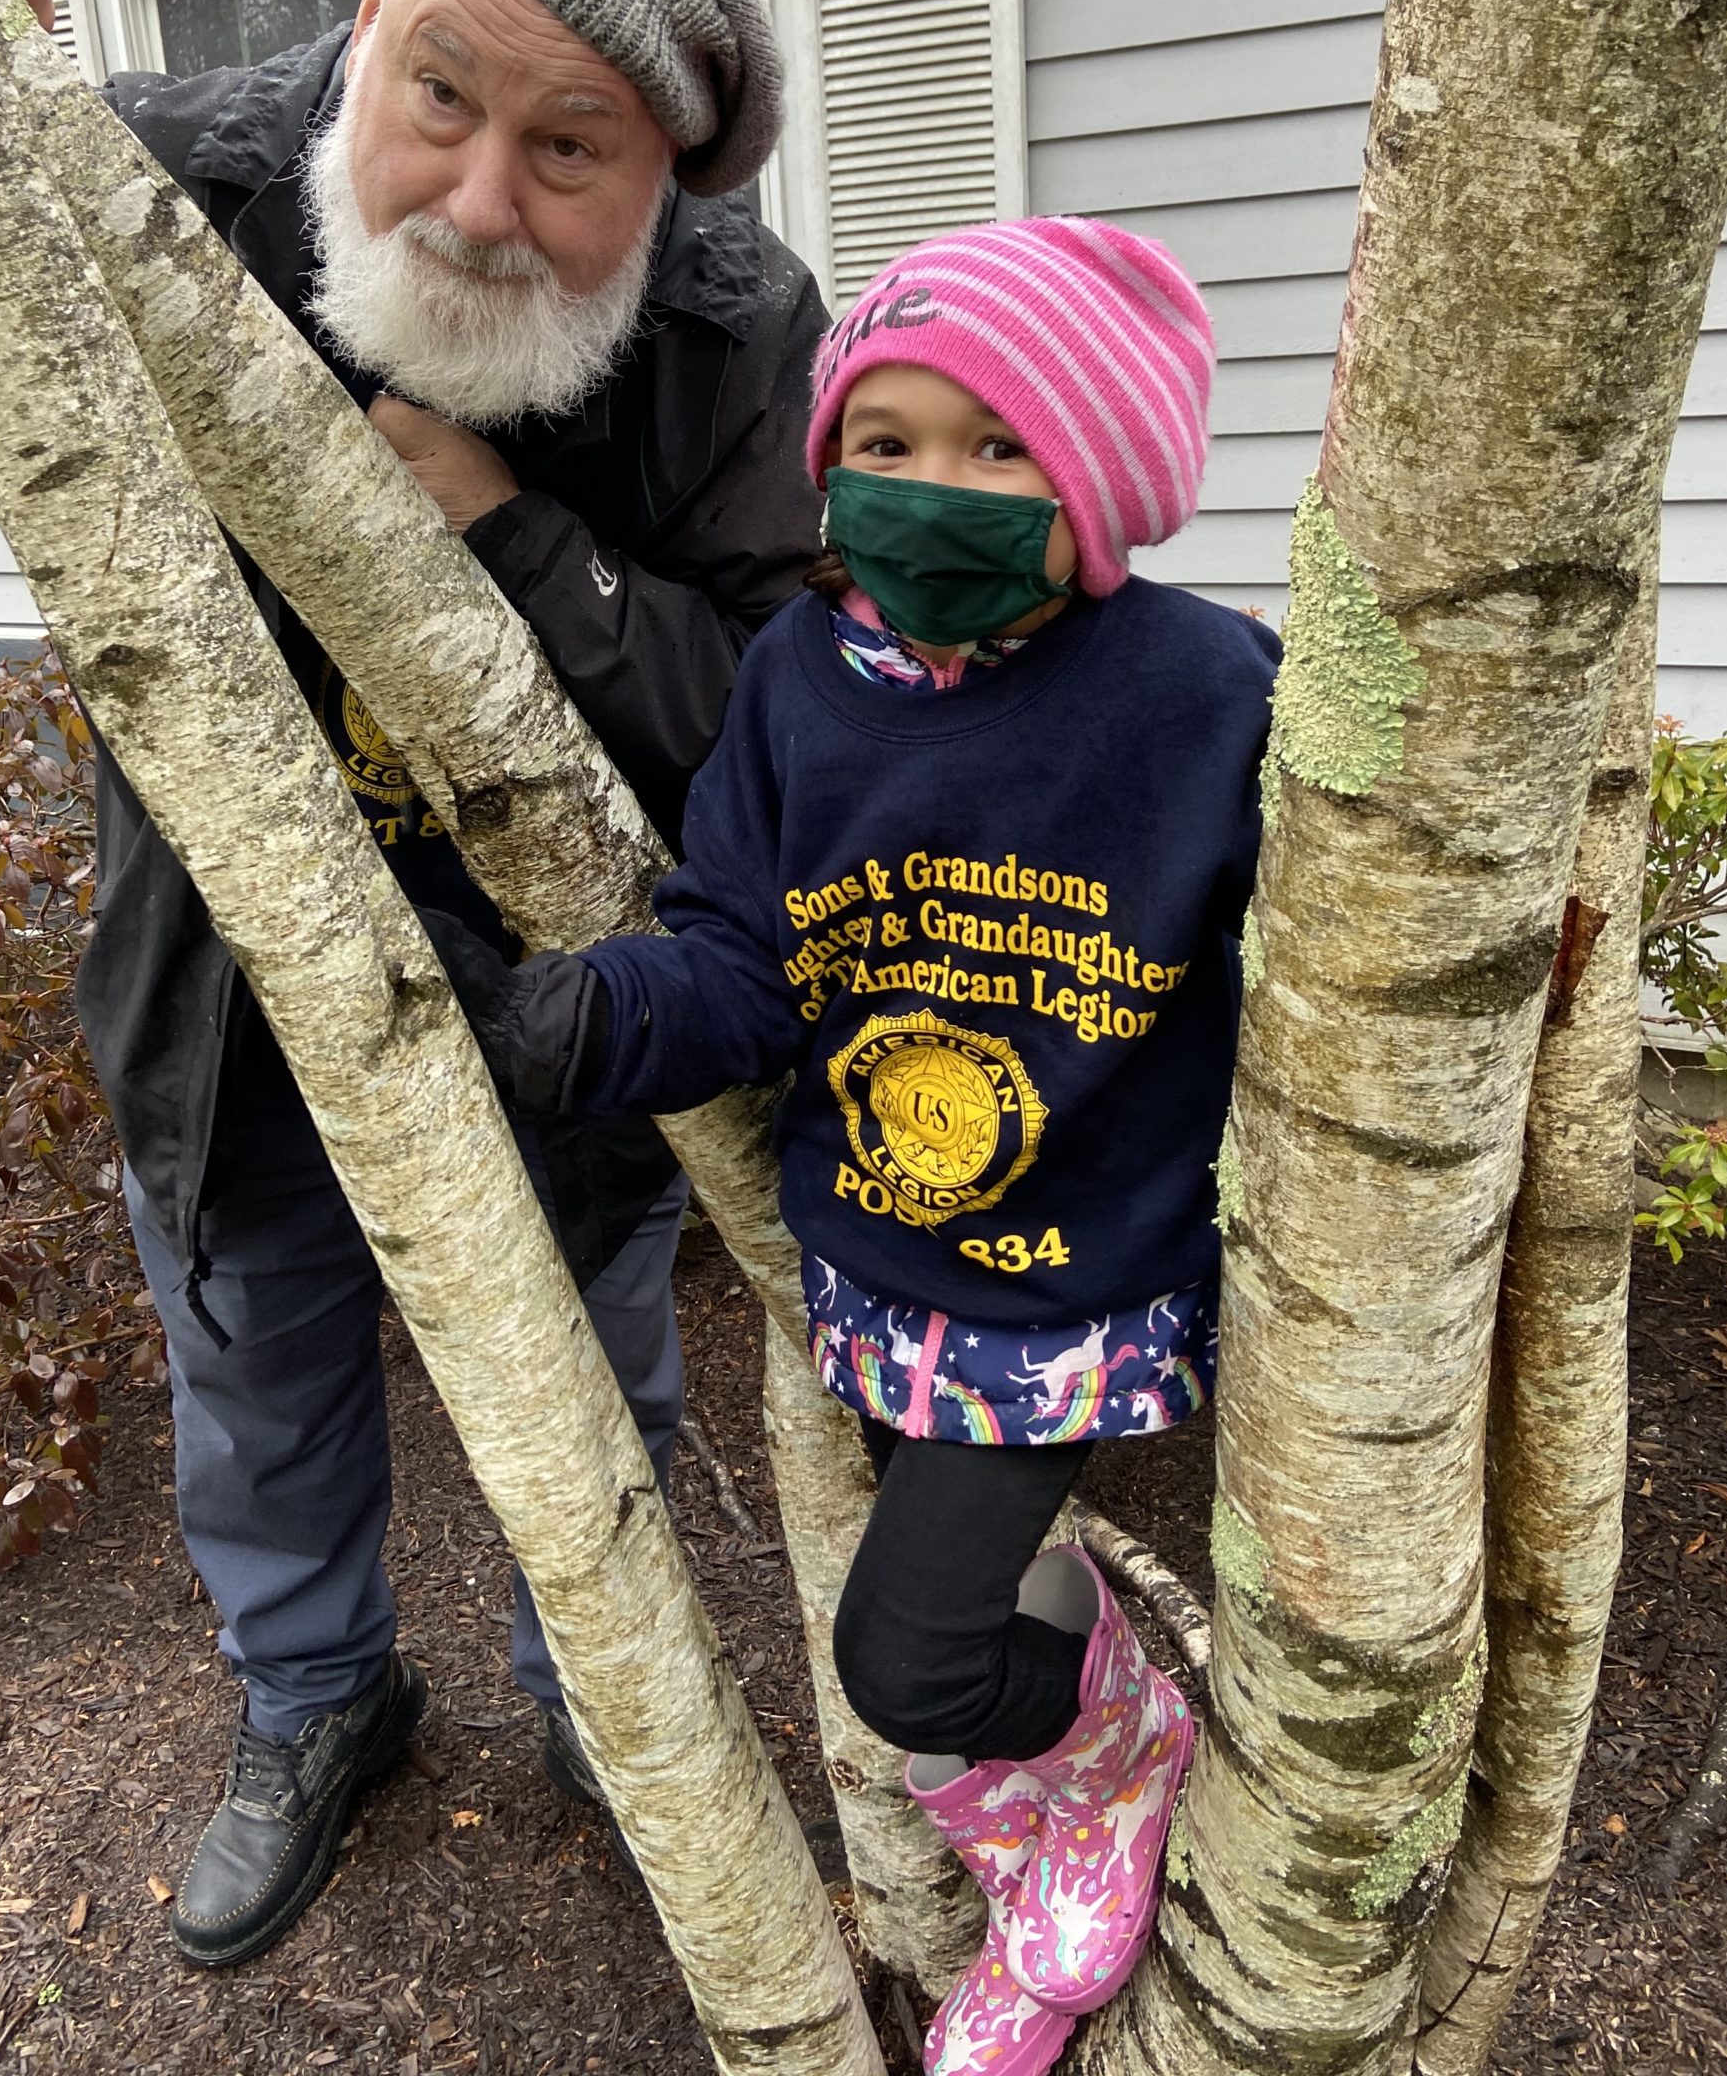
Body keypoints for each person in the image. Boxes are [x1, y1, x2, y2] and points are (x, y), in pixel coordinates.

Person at [0, 0, 829, 1964]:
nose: (475, 199)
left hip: (572, 1007)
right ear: (371, 14)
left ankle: (602, 1692)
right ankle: (316, 1700)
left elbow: (768, 717)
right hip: (228, 984)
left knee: (598, 1369)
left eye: (568, 154)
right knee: (255, 1388)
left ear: (662, 177)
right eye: (439, 91)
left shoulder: (736, 331)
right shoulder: (171, 182)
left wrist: (504, 526)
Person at [446, 217, 1280, 2075]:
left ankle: (1110, 1774)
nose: (929, 495)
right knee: (949, 1584)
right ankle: (1060, 1740)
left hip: (1072, 1283)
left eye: (999, 451)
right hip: (877, 1264)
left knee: (904, 1669)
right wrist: (588, 1020)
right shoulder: (805, 682)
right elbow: (746, 947)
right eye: (885, 445)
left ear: (1102, 482)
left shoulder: (1206, 695)